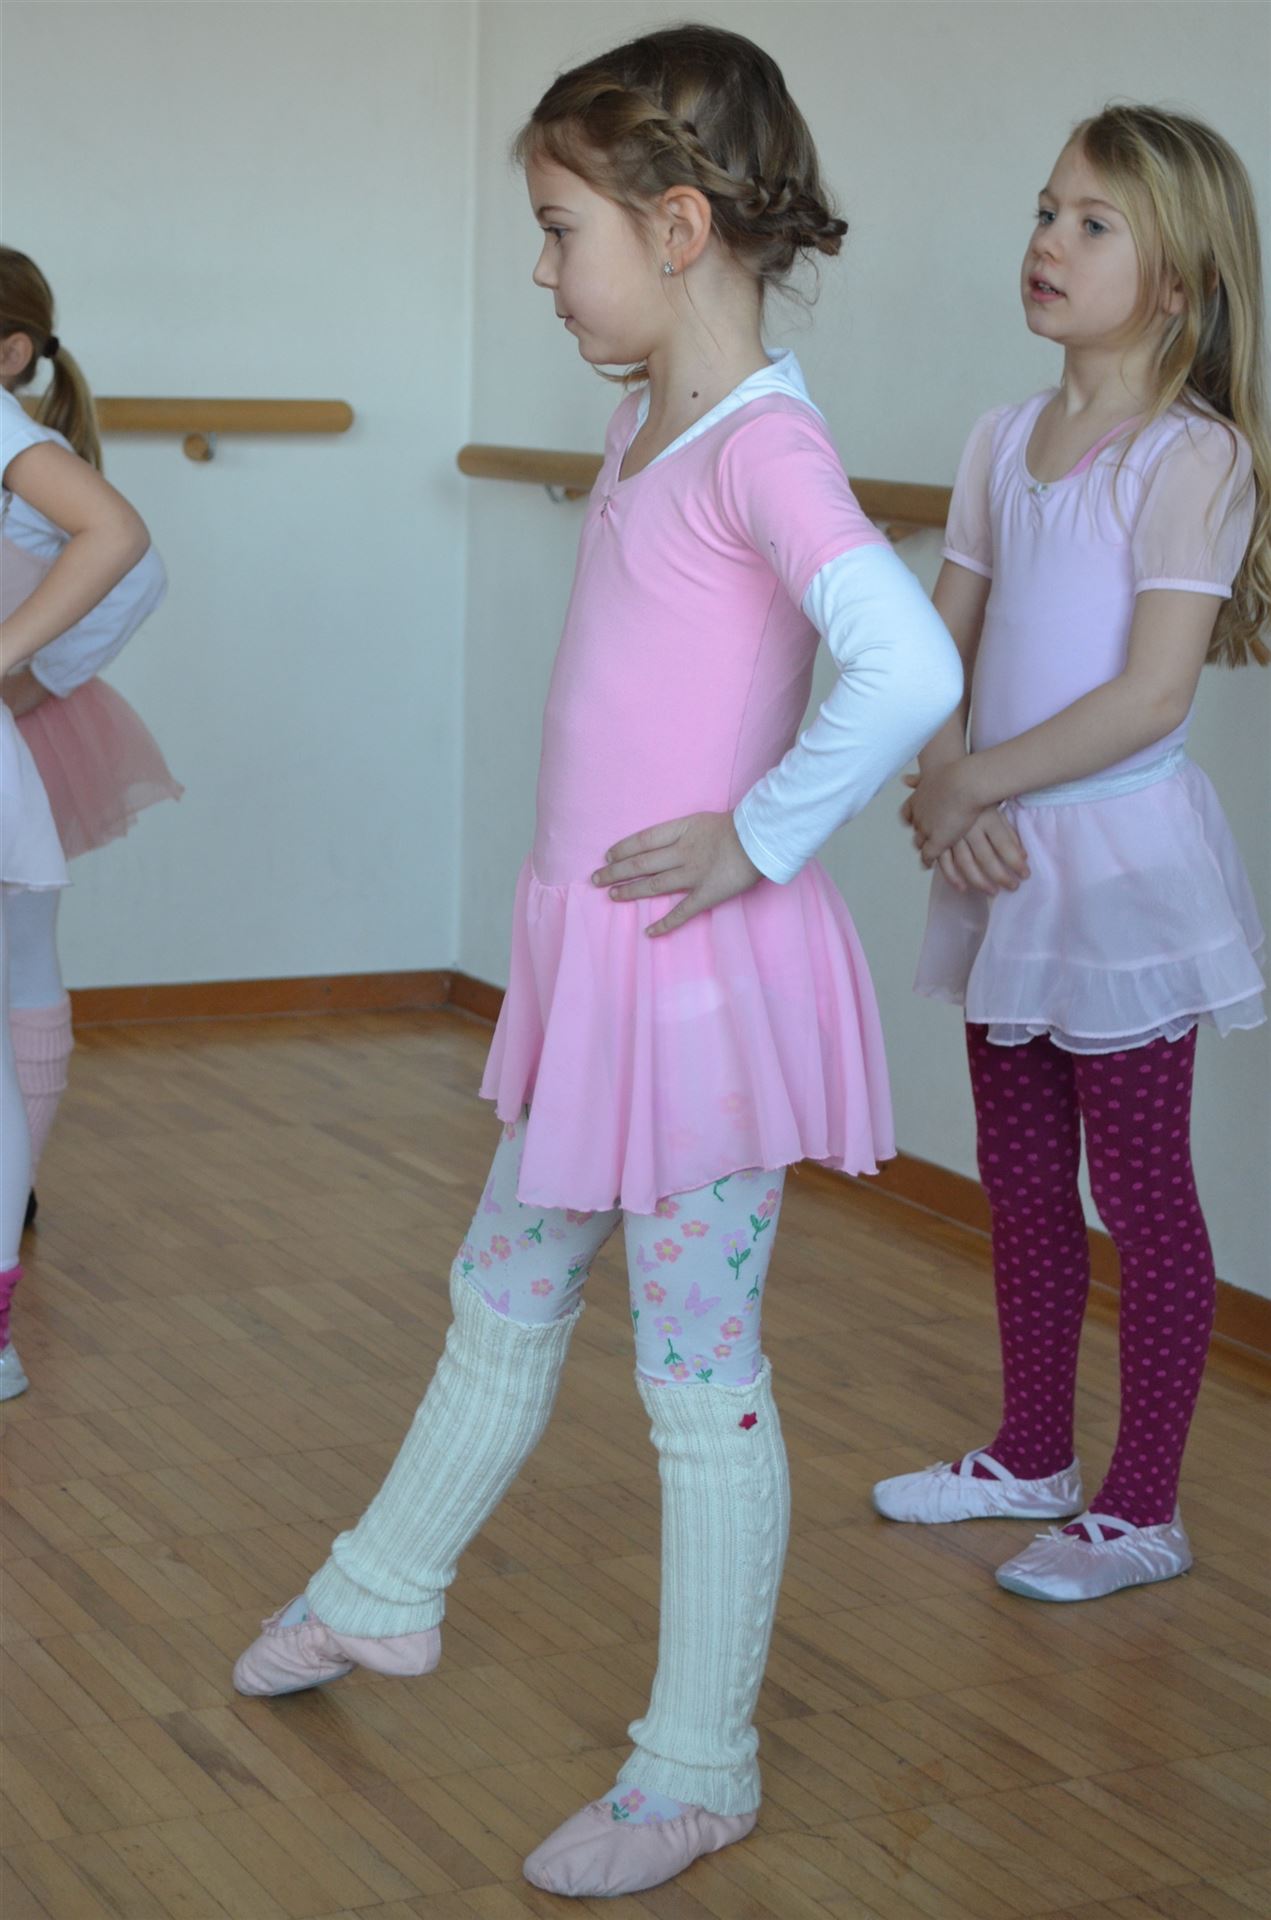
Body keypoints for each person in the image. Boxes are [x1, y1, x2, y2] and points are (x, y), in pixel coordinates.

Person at [233, 23, 960, 1898]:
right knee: (505, 1285)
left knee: (696, 1374)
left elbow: (908, 661)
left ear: (680, 224)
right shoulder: (651, 419)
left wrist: (759, 833)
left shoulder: (762, 447)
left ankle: (698, 1766)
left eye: (563, 232)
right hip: (607, 971)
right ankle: (384, 1587)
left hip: (694, 991)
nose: (546, 273)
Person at [873, 107, 1267, 1604]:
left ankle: (1140, 1509)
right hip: (1001, 864)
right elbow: (936, 647)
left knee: (1141, 1192)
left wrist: (971, 781)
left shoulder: (1191, 456)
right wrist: (944, 784)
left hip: (1119, 874)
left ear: (1176, 280)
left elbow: (1148, 696)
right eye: (1045, 210)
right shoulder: (998, 437)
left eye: (1092, 223)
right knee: (1022, 1176)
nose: (1047, 241)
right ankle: (1030, 1456)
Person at [0, 246, 174, 1220]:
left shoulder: (27, 453)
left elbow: (136, 571)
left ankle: (14, 1182)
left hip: (24, 734)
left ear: (11, 353)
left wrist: (31, 679)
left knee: (23, 947)